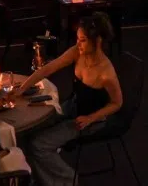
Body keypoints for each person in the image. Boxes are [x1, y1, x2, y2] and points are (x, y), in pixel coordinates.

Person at [16, 13, 123, 186]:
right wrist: (22, 89)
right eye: (77, 39)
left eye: (82, 40)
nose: (77, 44)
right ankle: (37, 177)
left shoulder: (106, 73)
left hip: (88, 120)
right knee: (28, 130)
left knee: (39, 145)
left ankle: (68, 180)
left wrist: (90, 119)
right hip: (72, 106)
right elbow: (48, 69)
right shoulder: (77, 53)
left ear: (97, 41)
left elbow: (117, 103)